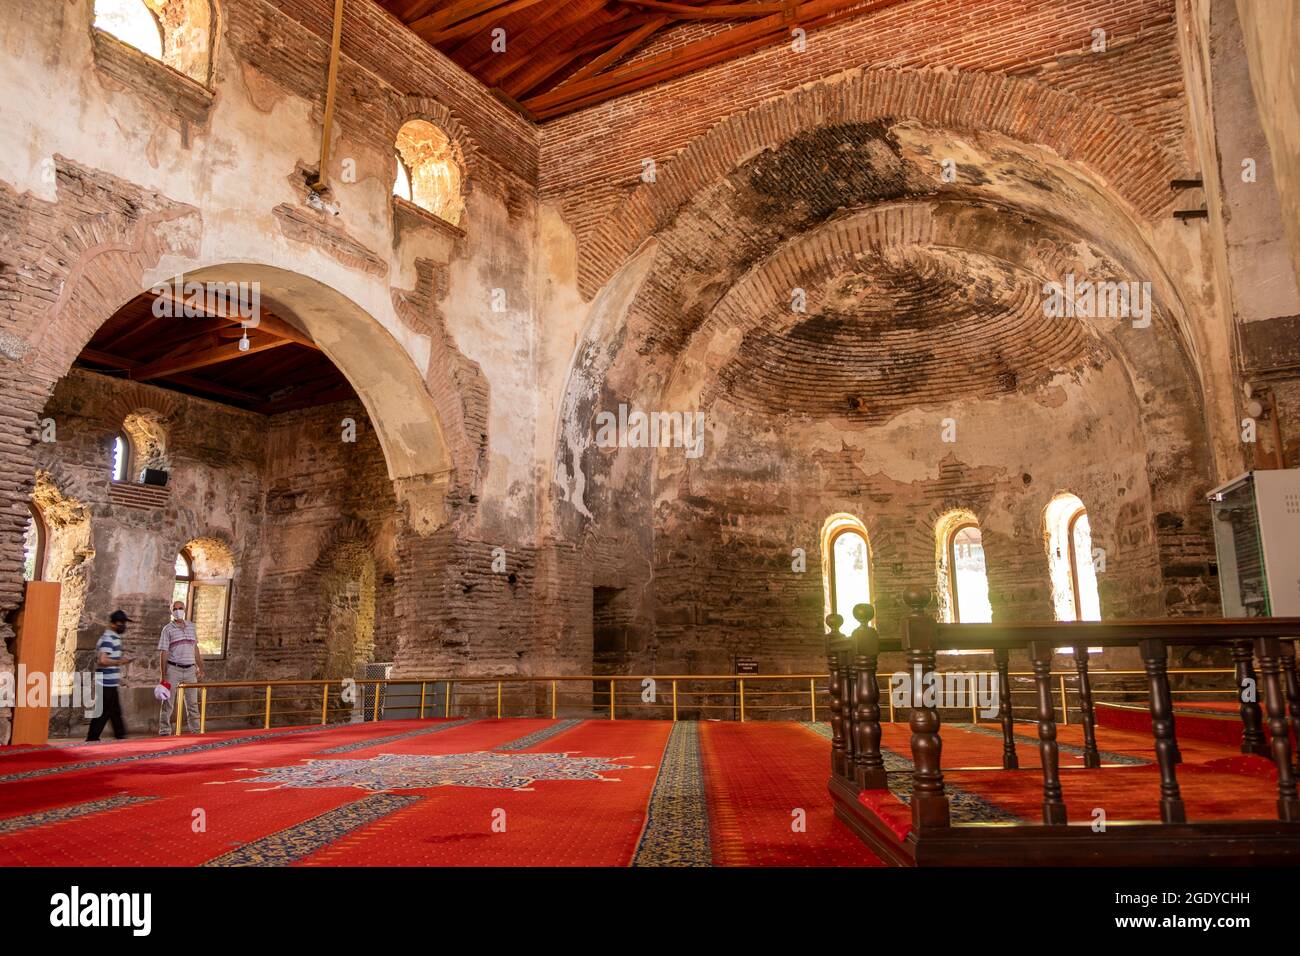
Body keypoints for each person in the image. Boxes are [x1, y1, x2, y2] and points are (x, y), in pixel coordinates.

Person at [158, 599, 204, 735]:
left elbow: (195, 647)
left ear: (184, 609)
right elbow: (164, 652)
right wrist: (163, 674)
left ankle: (195, 730)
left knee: (193, 703)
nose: (178, 611)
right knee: (168, 702)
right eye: (175, 608)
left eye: (181, 608)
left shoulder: (191, 626)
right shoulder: (167, 629)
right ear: (171, 612)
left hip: (190, 670)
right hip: (173, 669)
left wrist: (200, 666)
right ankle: (165, 730)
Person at [86, 610, 132, 741]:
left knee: (114, 711)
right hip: (105, 682)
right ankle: (92, 738)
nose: (123, 626)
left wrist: (119, 677)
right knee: (103, 711)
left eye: (124, 623)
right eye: (120, 623)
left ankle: (120, 735)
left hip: (110, 682)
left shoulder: (114, 638)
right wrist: (120, 661)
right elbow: (103, 660)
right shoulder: (108, 638)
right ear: (113, 624)